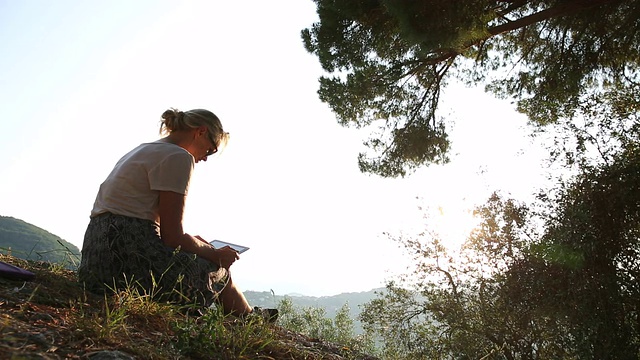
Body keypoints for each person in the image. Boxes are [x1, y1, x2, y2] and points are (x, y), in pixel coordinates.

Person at [78, 108, 275, 320]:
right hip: (129, 257)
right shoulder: (179, 156)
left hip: (96, 260)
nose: (206, 158)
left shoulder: (143, 149)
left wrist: (198, 245)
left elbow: (151, 220)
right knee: (217, 270)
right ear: (200, 132)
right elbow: (172, 237)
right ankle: (249, 320)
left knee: (202, 256)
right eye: (211, 149)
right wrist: (214, 253)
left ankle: (248, 316)